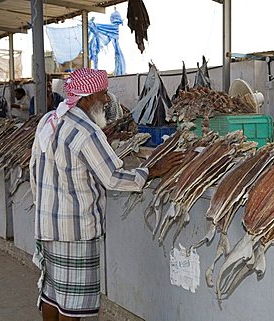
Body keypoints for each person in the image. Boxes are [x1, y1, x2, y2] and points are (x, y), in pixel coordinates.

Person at [29, 68, 184, 320]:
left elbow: (34, 167)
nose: (105, 100)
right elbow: (112, 178)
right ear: (88, 97)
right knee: (73, 304)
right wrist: (151, 172)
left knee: (52, 293)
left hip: (48, 226)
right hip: (75, 232)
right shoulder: (85, 131)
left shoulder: (49, 121)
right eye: (102, 94)